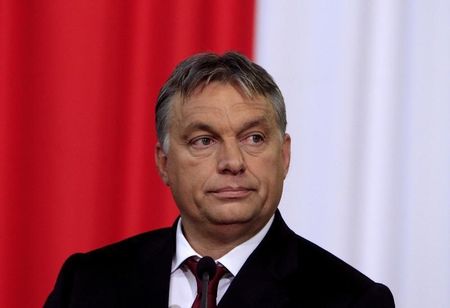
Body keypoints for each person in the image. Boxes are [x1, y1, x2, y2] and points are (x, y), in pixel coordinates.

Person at [44, 52, 395, 307]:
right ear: (164, 163)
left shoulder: (353, 301)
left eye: (253, 138)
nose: (232, 162)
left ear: (284, 156)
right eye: (204, 141)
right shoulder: (86, 284)